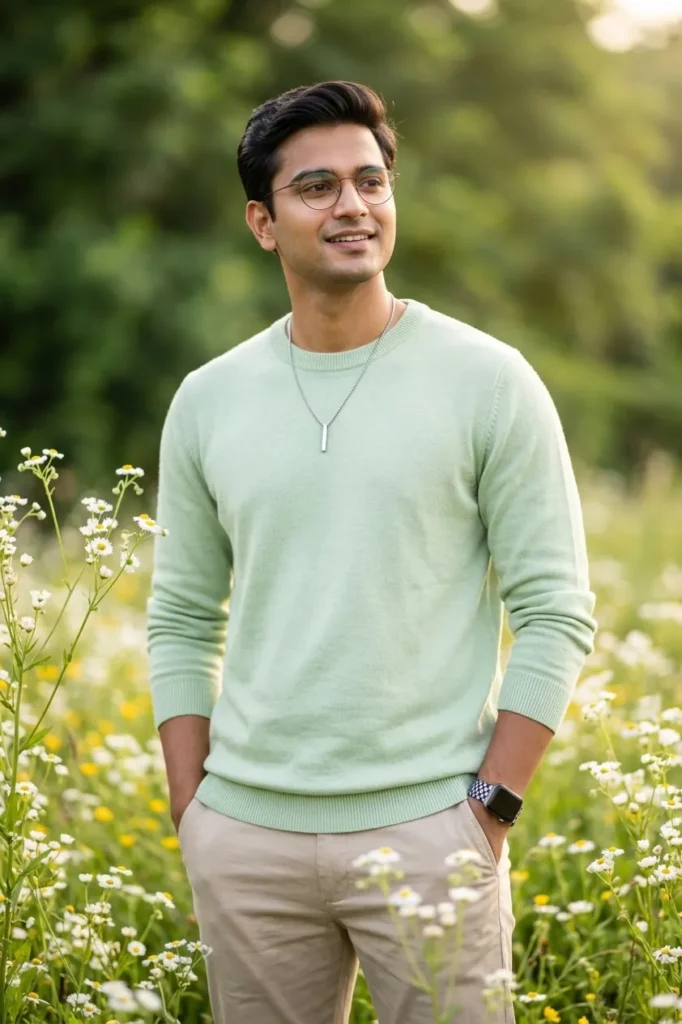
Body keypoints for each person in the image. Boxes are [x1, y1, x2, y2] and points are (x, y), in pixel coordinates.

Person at [146, 80, 598, 1024]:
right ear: (263, 223)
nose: (353, 205)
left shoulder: (490, 381)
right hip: (246, 841)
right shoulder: (207, 399)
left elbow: (556, 612)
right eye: (317, 187)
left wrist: (489, 812)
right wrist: (196, 812)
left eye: (371, 181)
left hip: (433, 834)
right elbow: (181, 617)